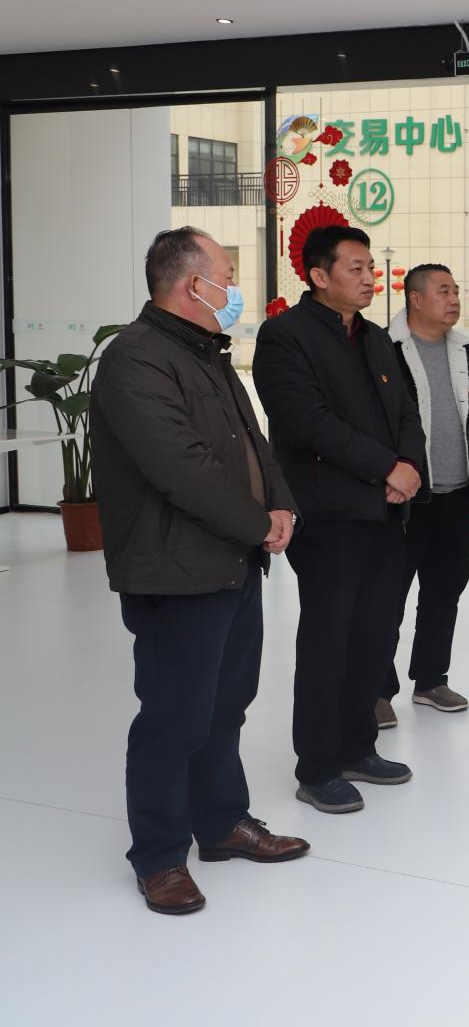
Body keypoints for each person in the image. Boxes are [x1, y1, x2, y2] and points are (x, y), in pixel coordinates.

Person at [92, 226, 309, 915]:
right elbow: (179, 466)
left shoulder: (205, 351)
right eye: (227, 275)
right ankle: (159, 856)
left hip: (232, 562)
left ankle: (221, 823)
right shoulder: (135, 358)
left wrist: (280, 502)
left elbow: (253, 443)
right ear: (194, 284)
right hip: (175, 569)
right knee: (174, 716)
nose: (233, 288)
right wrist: (256, 522)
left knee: (226, 704)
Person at [254, 223, 426, 814]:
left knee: (374, 636)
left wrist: (408, 468)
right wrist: (387, 468)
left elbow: (407, 412)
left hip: (386, 512)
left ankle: (358, 746)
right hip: (328, 514)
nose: (370, 276)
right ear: (319, 276)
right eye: (356, 267)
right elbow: (305, 421)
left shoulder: (376, 338)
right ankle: (319, 766)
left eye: (370, 266)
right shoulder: (285, 336)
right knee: (329, 640)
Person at [379, 264, 469, 719]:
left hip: (456, 495)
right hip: (404, 499)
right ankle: (376, 691)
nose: (454, 300)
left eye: (455, 291)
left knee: (444, 592)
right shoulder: (385, 351)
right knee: (387, 597)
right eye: (443, 292)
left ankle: (431, 680)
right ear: (415, 298)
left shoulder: (465, 352)